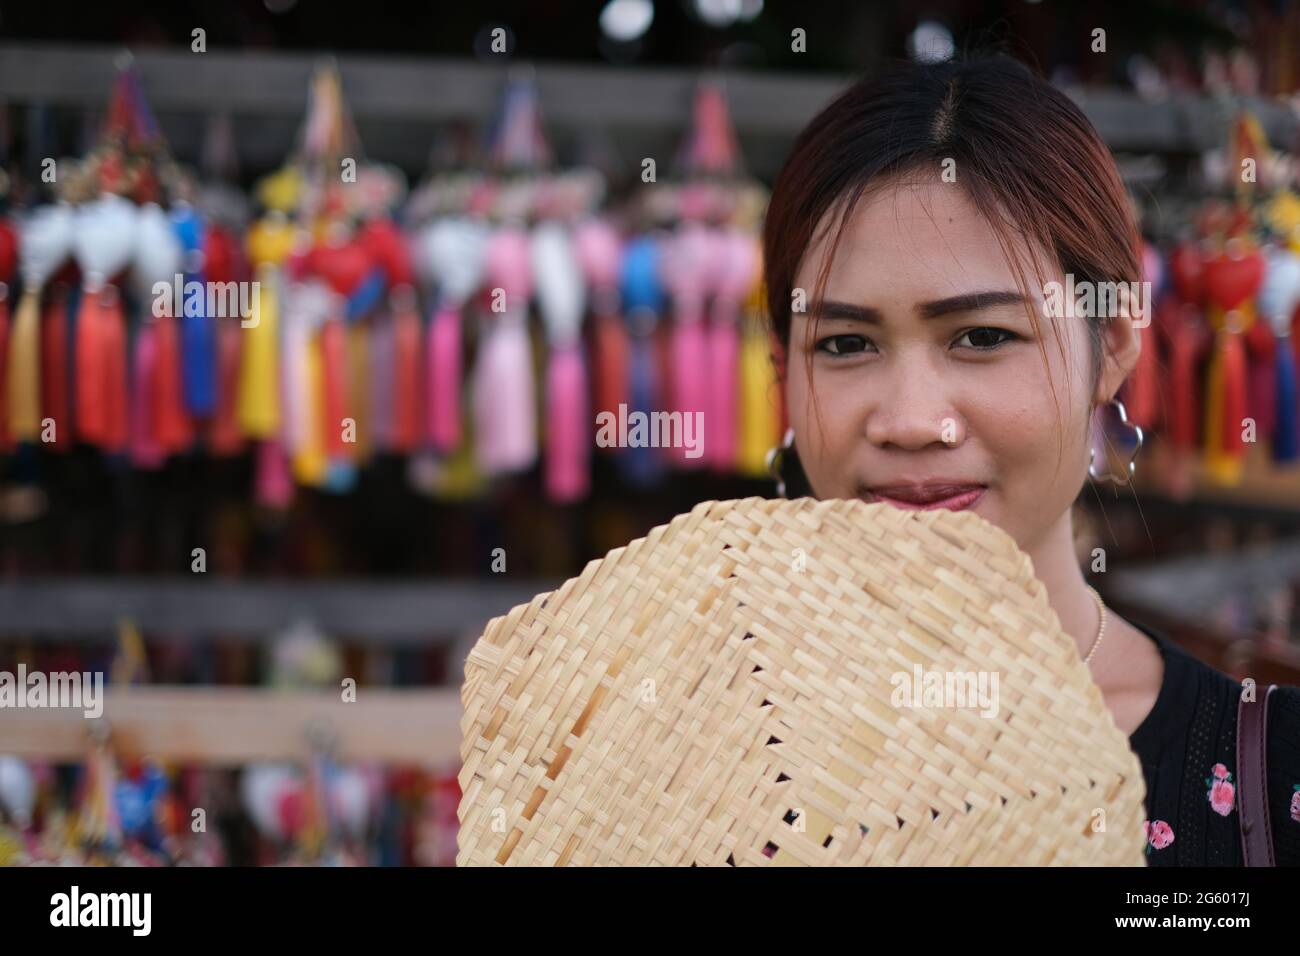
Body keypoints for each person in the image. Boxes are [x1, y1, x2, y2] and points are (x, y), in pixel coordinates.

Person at [760, 52, 1300, 865]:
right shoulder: (648, 758)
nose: (913, 421)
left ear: (1111, 344)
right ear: (782, 371)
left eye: (982, 336)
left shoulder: (1273, 781)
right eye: (844, 343)